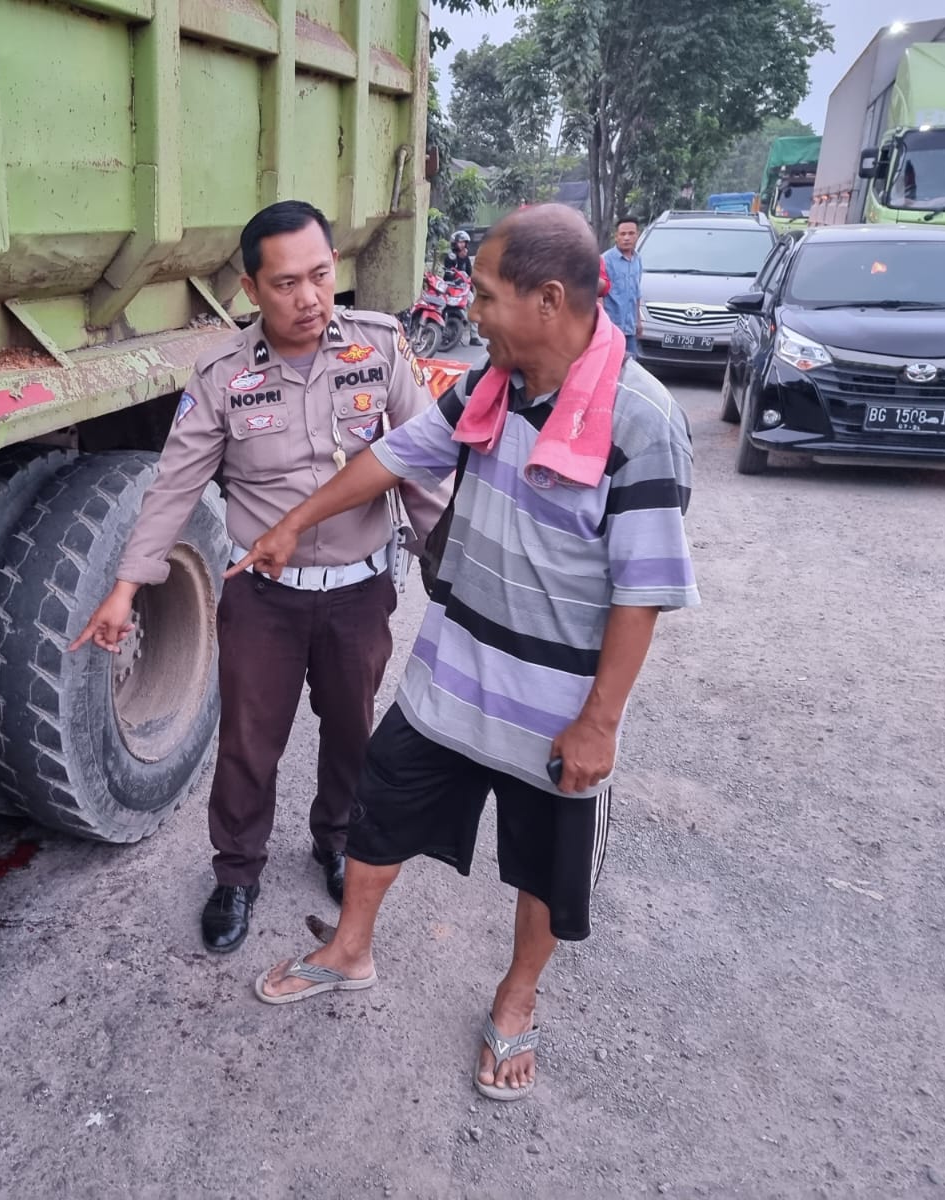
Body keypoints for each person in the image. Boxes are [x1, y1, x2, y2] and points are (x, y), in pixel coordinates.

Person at [241, 205, 700, 1104]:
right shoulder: (492, 386)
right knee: (380, 808)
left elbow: (645, 588)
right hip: (452, 673)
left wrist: (599, 723)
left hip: (555, 708)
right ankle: (350, 949)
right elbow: (395, 458)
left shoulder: (641, 422)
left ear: (549, 299)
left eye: (487, 296)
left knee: (544, 868)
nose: (474, 311)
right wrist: (294, 522)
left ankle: (517, 1001)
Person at [69, 200, 443, 954]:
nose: (308, 298)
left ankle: (334, 841)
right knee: (248, 743)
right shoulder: (223, 376)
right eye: (286, 284)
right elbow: (173, 488)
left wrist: (455, 569)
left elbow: (422, 465)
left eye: (321, 275)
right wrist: (125, 588)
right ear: (251, 289)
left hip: (360, 592)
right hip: (264, 602)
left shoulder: (377, 349)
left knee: (351, 732)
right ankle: (237, 873)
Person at [601, 216, 642, 357]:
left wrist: (638, 321)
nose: (627, 238)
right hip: (611, 327)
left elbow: (636, 292)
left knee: (630, 369)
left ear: (638, 235)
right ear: (616, 237)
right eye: (623, 234)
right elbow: (599, 295)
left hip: (630, 328)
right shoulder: (605, 260)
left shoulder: (637, 260)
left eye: (631, 234)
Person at [443, 231, 482, 347]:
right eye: (460, 242)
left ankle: (474, 336)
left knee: (473, 304)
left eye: (464, 242)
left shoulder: (465, 257)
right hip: (450, 286)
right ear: (454, 243)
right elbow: (447, 272)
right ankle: (438, 330)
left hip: (463, 288)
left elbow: (470, 273)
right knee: (439, 304)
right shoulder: (450, 256)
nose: (462, 245)